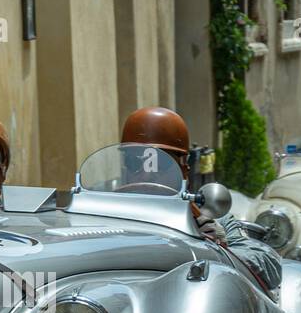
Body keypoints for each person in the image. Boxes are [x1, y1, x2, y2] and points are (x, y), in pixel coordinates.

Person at [120, 106, 282, 291]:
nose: (146, 175)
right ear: (124, 166)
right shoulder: (104, 213)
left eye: (161, 163)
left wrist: (219, 248)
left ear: (184, 169)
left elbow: (268, 262)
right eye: (134, 163)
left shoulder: (211, 220)